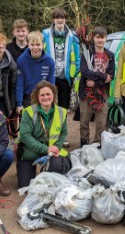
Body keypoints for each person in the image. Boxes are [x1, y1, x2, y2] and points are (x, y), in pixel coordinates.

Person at [16, 81, 71, 188]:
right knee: (25, 186)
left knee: (55, 169)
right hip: (30, 151)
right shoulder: (28, 112)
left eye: (48, 94)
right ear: (37, 96)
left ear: (53, 95)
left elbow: (63, 133)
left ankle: (48, 172)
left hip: (51, 152)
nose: (46, 97)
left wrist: (56, 147)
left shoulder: (61, 112)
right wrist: (46, 149)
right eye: (42, 95)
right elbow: (25, 136)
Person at [43, 7, 80, 148]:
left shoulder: (73, 36)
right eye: (57, 18)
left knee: (63, 110)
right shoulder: (45, 34)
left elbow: (77, 57)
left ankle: (62, 136)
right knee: (47, 107)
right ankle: (47, 136)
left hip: (65, 77)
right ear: (53, 19)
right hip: (49, 77)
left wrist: (74, 73)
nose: (60, 20)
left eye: (62, 18)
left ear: (65, 19)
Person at [78, 26, 115, 147]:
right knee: (84, 120)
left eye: (102, 37)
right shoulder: (87, 53)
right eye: (98, 37)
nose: (100, 40)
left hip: (102, 93)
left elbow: (110, 77)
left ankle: (98, 144)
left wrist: (96, 82)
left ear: (106, 38)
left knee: (101, 122)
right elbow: (84, 71)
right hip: (86, 92)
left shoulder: (110, 55)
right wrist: (101, 75)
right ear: (93, 38)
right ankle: (84, 143)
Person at [16, 31, 55, 113]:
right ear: (28, 44)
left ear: (43, 44)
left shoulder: (49, 61)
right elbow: (20, 82)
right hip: (28, 98)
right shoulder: (21, 60)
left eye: (38, 45)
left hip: (44, 97)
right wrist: (19, 104)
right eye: (32, 45)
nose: (35, 48)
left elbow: (51, 83)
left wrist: (52, 100)